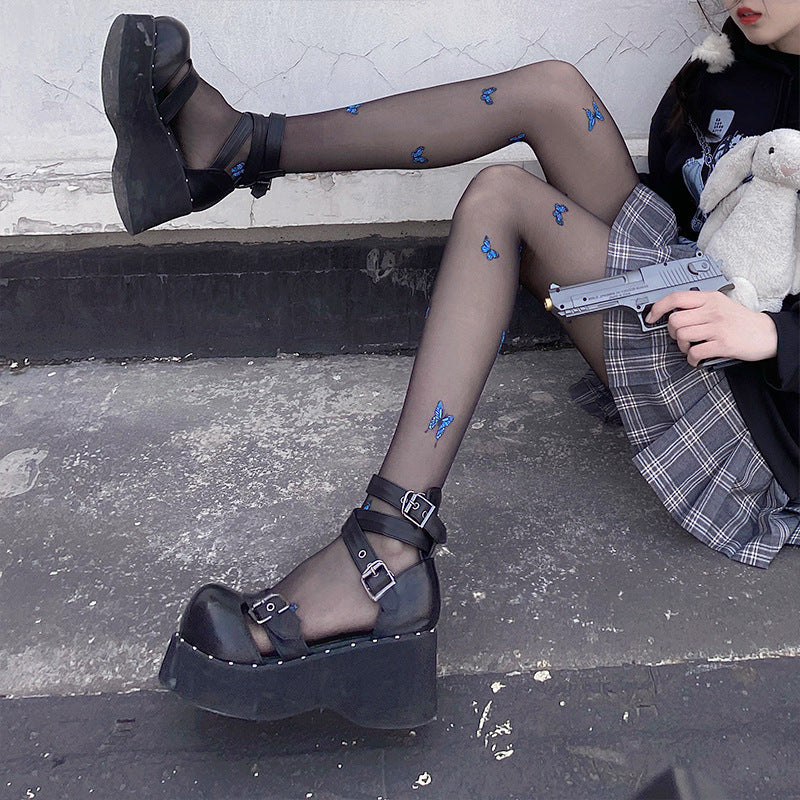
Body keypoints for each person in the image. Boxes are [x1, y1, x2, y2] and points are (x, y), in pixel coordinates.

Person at [102, 0, 799, 727]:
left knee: (502, 198)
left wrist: (773, 335)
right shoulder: (723, 70)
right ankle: (237, 146)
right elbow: (691, 218)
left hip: (763, 420)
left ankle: (387, 550)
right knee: (552, 90)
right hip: (699, 308)